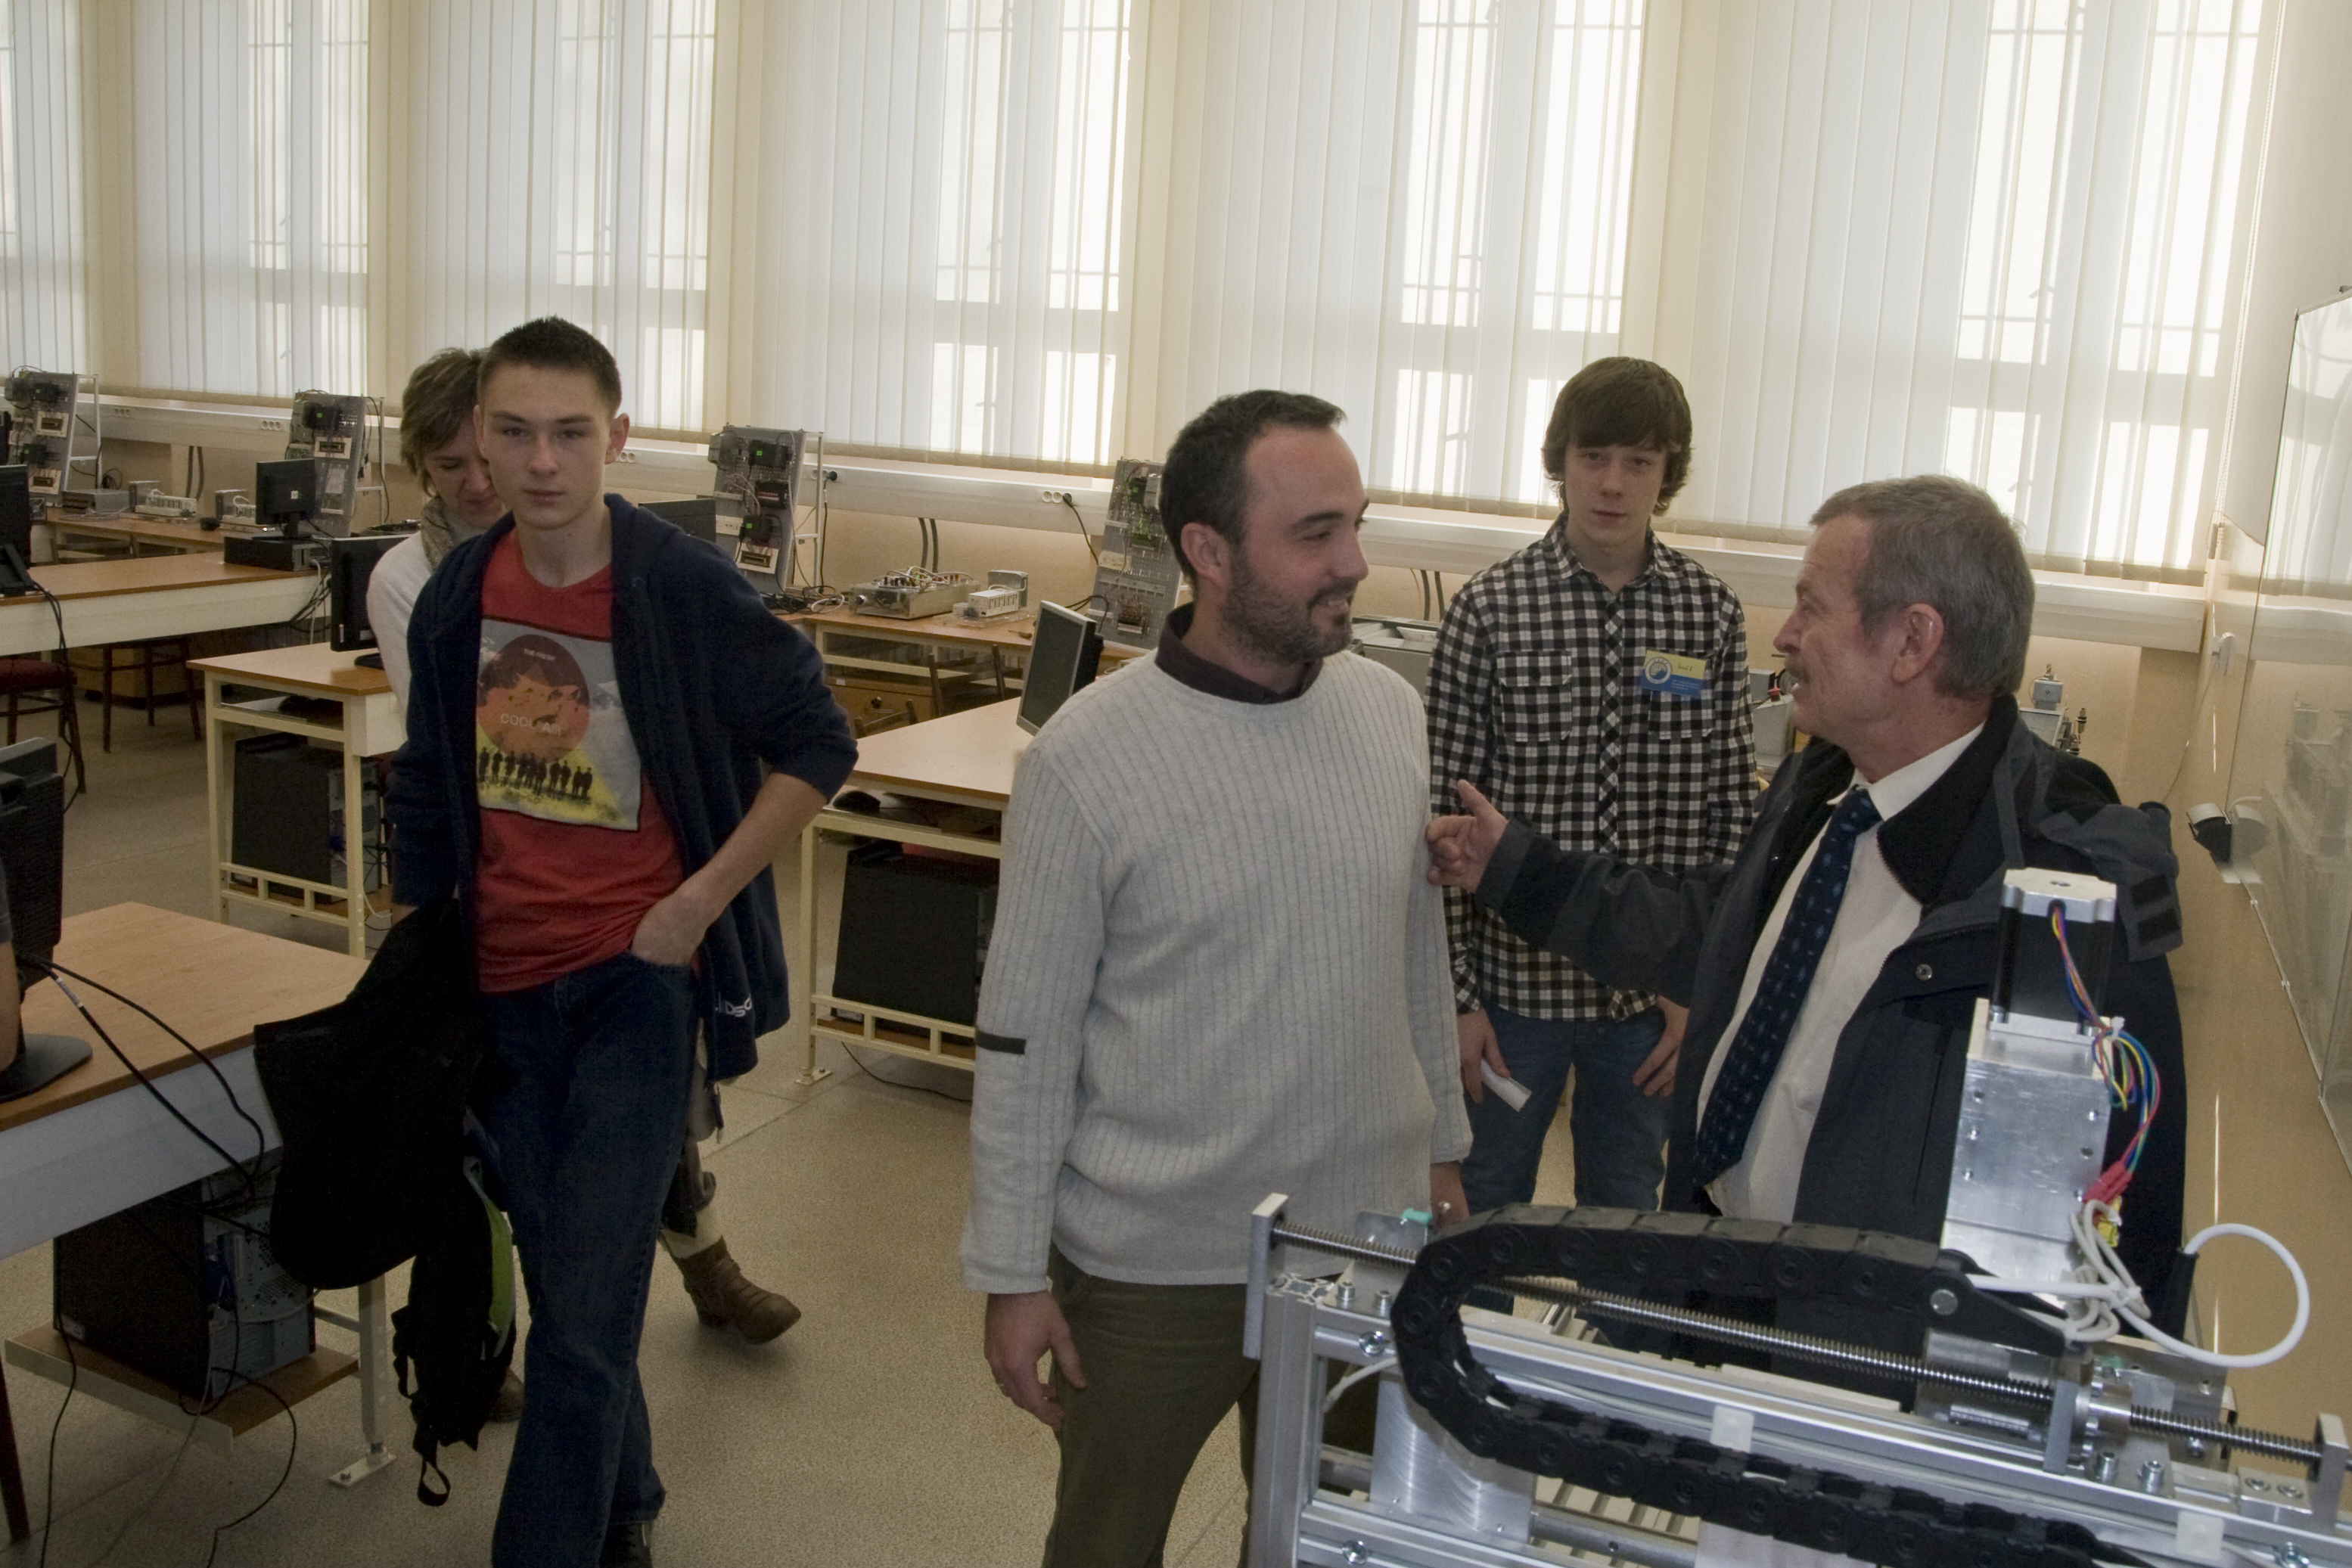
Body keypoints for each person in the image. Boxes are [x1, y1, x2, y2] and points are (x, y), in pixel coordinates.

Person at [1426, 474, 2189, 1302]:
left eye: (1810, 607)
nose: (1784, 635)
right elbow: (1714, 935)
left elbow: (2110, 1255)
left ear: (1911, 642)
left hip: (1849, 1345)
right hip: (1719, 1272)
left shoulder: (2057, 910)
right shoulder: (1825, 788)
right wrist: (1515, 869)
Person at [964, 390, 1472, 1568]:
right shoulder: (1087, 759)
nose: (1354, 563)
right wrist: (1009, 1271)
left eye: (1356, 525)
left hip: (1363, 1232)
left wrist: (1442, 1148)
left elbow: (1414, 950)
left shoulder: (1388, 714)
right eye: (1314, 534)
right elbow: (1025, 1036)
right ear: (1207, 550)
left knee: (1327, 1540)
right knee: (1107, 1544)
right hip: (1153, 1256)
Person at [384, 317, 856, 1568]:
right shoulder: (455, 597)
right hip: (501, 992)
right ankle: (626, 1497)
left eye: (569, 433)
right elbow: (427, 779)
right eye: (514, 432)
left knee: (584, 1326)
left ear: (619, 437)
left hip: (633, 990)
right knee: (570, 1288)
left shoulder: (674, 583)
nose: (540, 461)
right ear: (480, 439)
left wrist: (697, 902)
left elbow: (819, 741)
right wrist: (415, 953)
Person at [1426, 357, 1752, 1219]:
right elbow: (1440, 828)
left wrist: (1697, 987)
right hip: (1510, 994)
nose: (1612, 483)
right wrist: (1455, 1002)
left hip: (1646, 1003)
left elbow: (1729, 811)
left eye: (1639, 462)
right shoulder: (1489, 611)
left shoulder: (1709, 615)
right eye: (1593, 456)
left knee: (1626, 1211)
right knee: (1484, 1204)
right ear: (1559, 461)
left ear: (1667, 473)